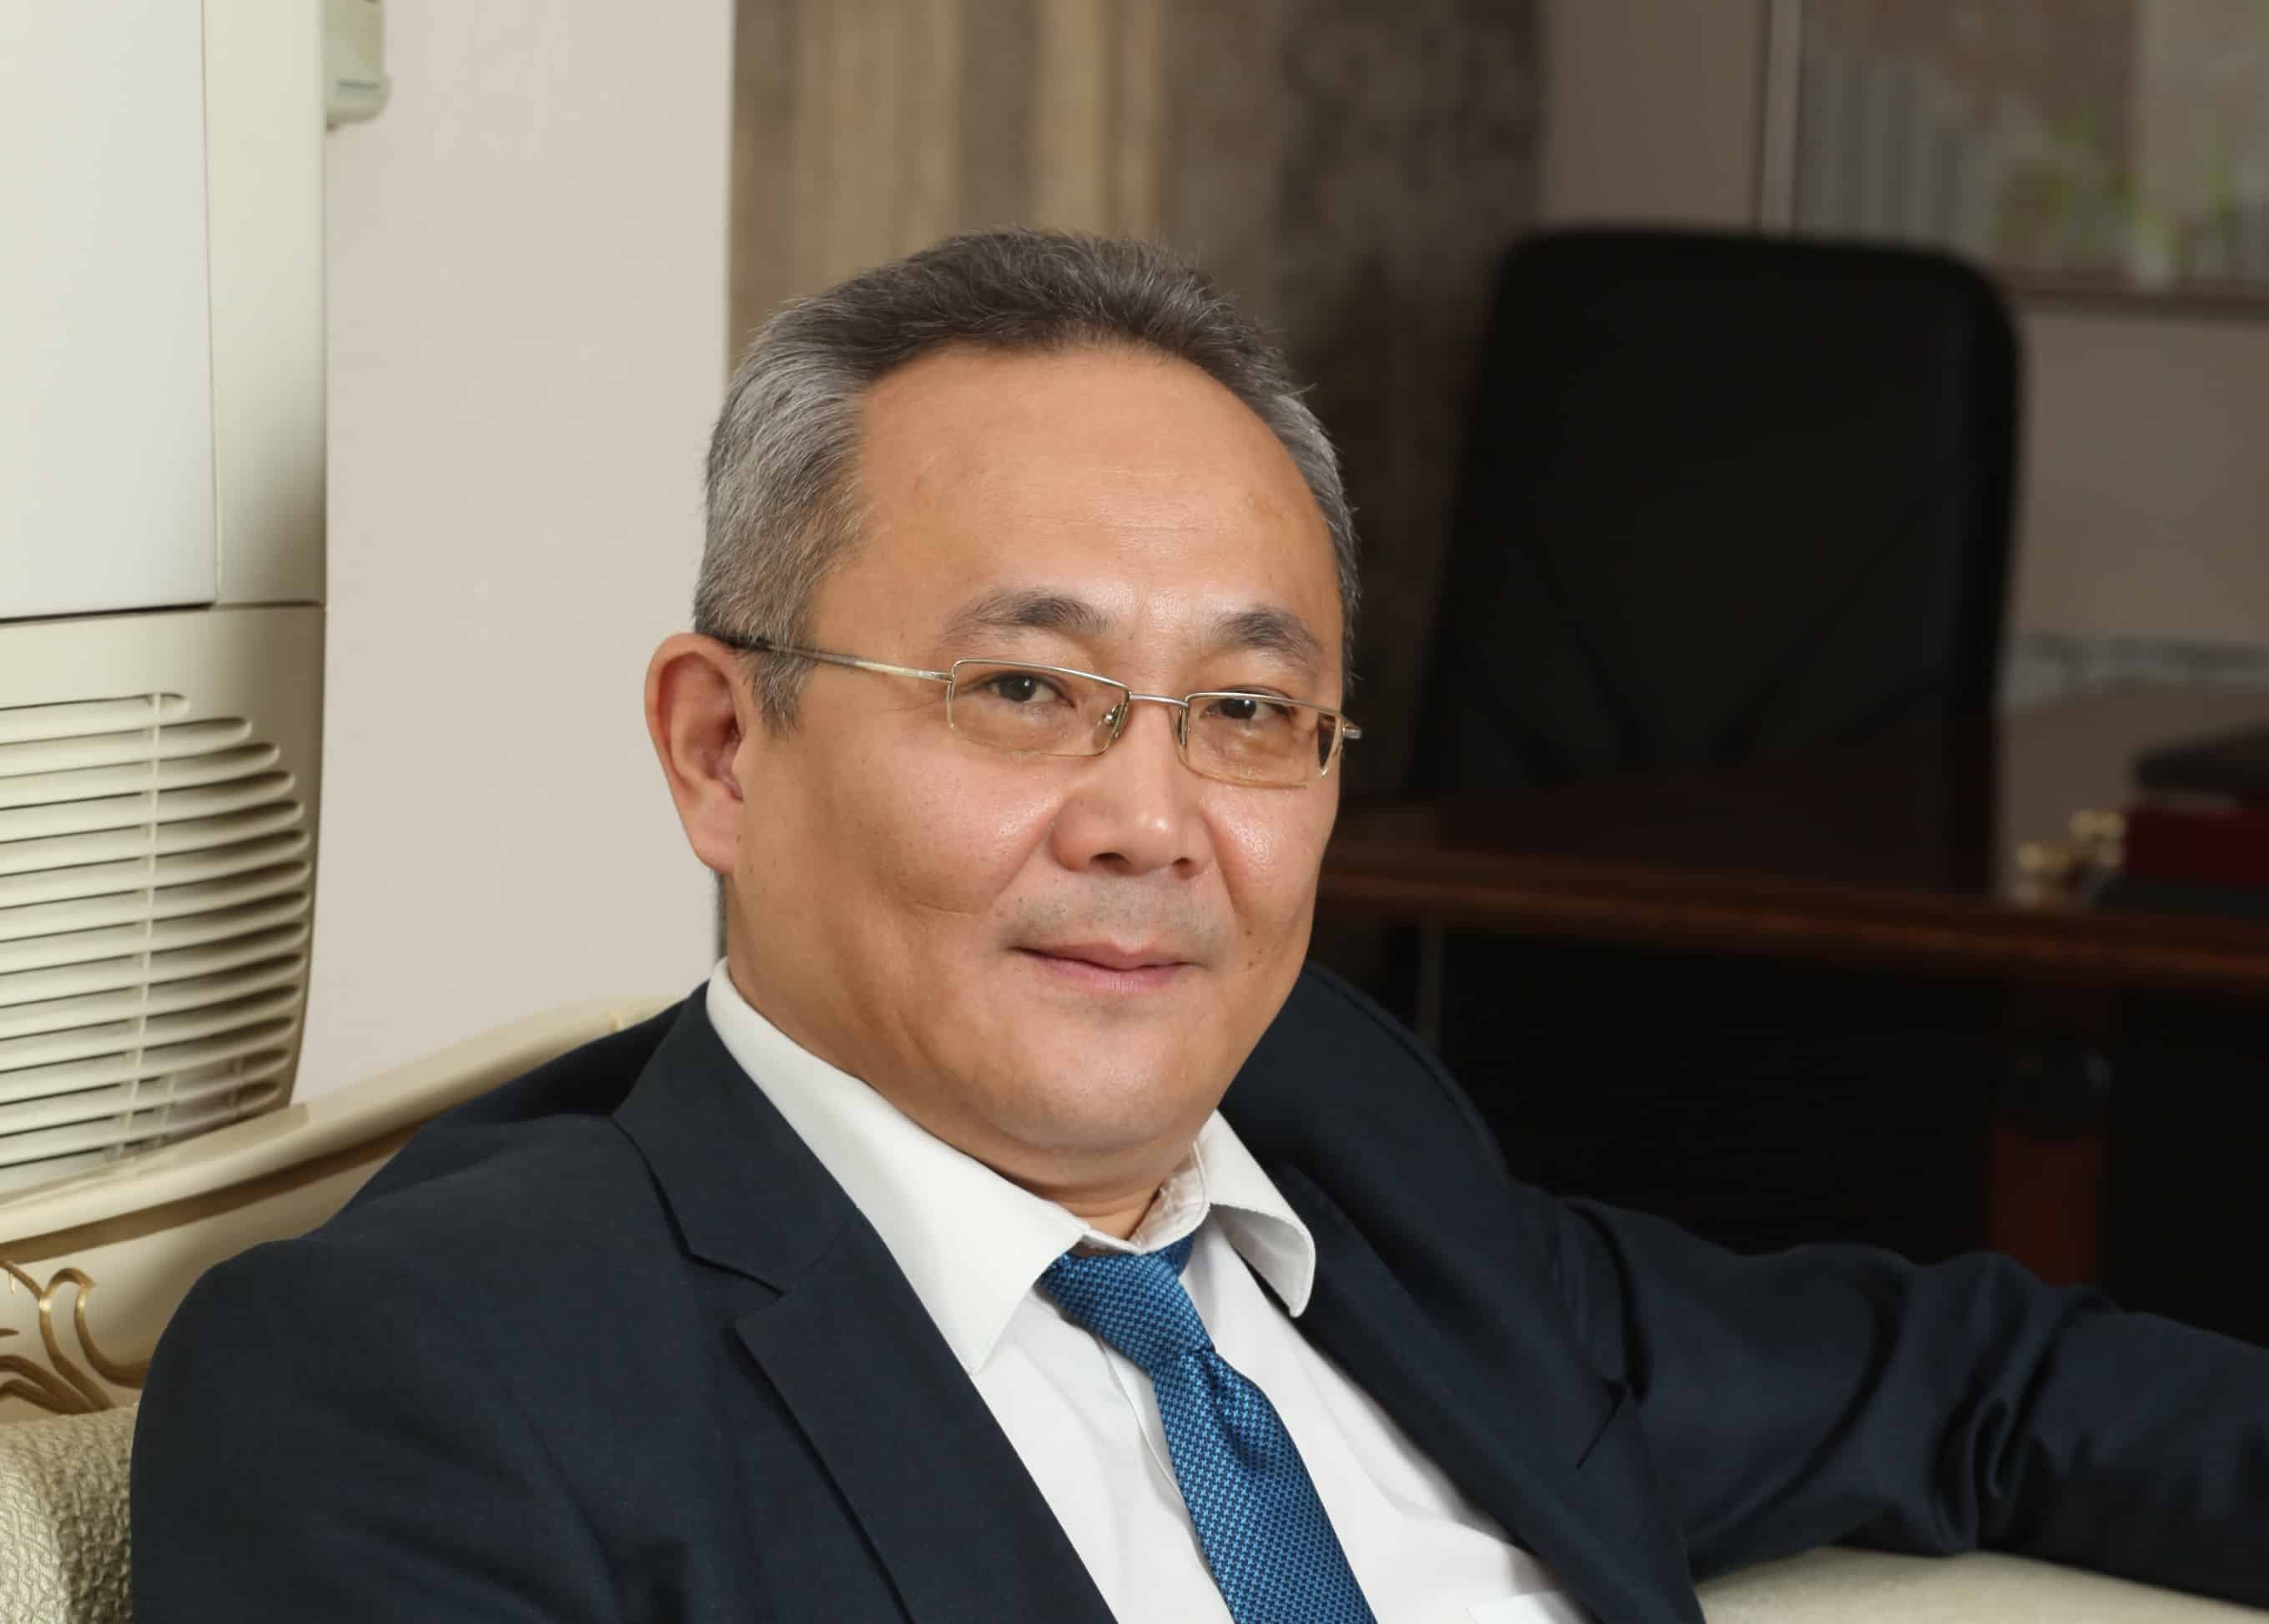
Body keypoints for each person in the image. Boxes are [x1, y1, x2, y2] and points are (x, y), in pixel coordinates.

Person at [133, 229, 2269, 1623]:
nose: (1151, 823)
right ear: (722, 748)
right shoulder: (436, 1370)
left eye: (1248, 712)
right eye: (1023, 687)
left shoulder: (1346, 1145)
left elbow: (1976, 1384)